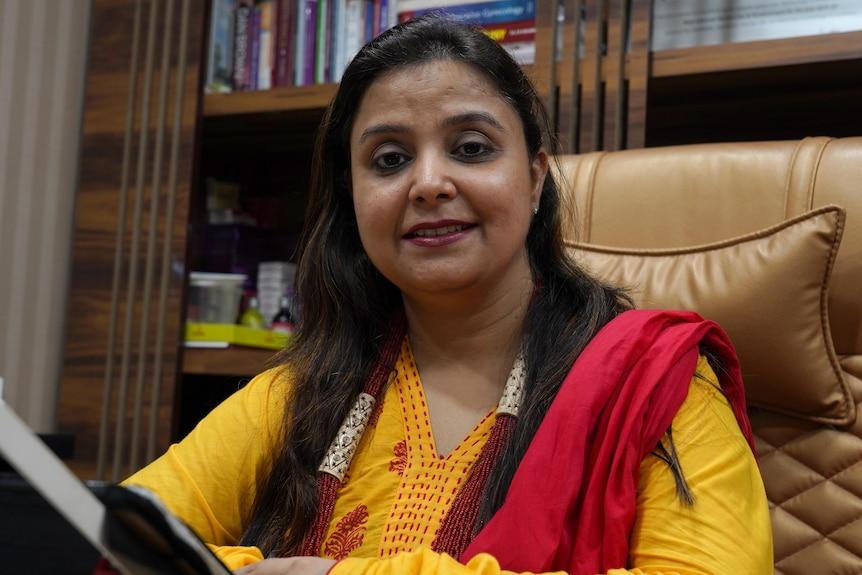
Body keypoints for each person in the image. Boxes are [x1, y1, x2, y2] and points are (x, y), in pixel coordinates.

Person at [116, 14, 773, 575]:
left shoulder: (653, 384)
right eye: (389, 160)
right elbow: (115, 538)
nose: (428, 182)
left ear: (536, 176)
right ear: (353, 197)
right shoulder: (304, 393)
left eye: (470, 147)